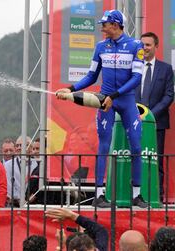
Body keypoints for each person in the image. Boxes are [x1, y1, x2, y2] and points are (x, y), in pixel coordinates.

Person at [56, 9, 147, 208]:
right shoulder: (100, 46)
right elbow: (91, 76)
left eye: (105, 24)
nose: (102, 27)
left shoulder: (135, 46)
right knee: (103, 146)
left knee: (136, 146)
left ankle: (137, 195)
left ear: (115, 25)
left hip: (125, 101)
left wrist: (113, 97)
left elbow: (136, 78)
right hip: (104, 101)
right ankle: (99, 195)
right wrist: (70, 89)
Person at [135, 32, 174, 201]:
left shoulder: (166, 69)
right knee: (134, 158)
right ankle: (135, 194)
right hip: (134, 121)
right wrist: (134, 114)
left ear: (156, 46)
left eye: (148, 45)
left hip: (156, 122)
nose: (144, 48)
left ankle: (156, 195)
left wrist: (150, 115)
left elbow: (169, 95)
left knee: (155, 160)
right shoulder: (133, 66)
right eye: (142, 44)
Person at [5, 136, 38, 207]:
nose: (19, 148)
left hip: (34, 203)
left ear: (31, 147)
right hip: (15, 204)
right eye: (17, 146)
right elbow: (8, 186)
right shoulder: (8, 165)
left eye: (22, 145)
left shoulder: (37, 163)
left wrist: (29, 199)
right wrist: (19, 199)